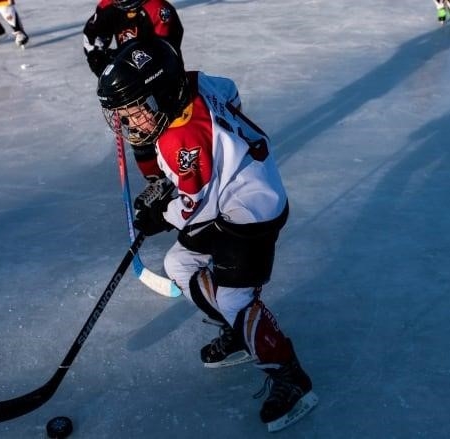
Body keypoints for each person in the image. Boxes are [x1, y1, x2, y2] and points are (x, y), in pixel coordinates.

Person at [96, 38, 317, 432]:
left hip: (250, 213)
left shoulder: (181, 139)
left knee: (234, 297)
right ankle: (240, 333)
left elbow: (191, 204)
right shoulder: (193, 83)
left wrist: (158, 215)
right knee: (178, 263)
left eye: (135, 109)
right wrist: (227, 146)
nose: (130, 121)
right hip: (233, 196)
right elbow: (229, 89)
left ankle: (290, 377)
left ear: (161, 94)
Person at [83, 0, 184, 206]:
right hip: (131, 87)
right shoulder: (107, 7)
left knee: (171, 129)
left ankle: (188, 174)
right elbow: (92, 38)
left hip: (160, 81)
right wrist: (99, 58)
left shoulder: (158, 9)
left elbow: (165, 50)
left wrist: (124, 62)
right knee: (138, 130)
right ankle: (159, 181)